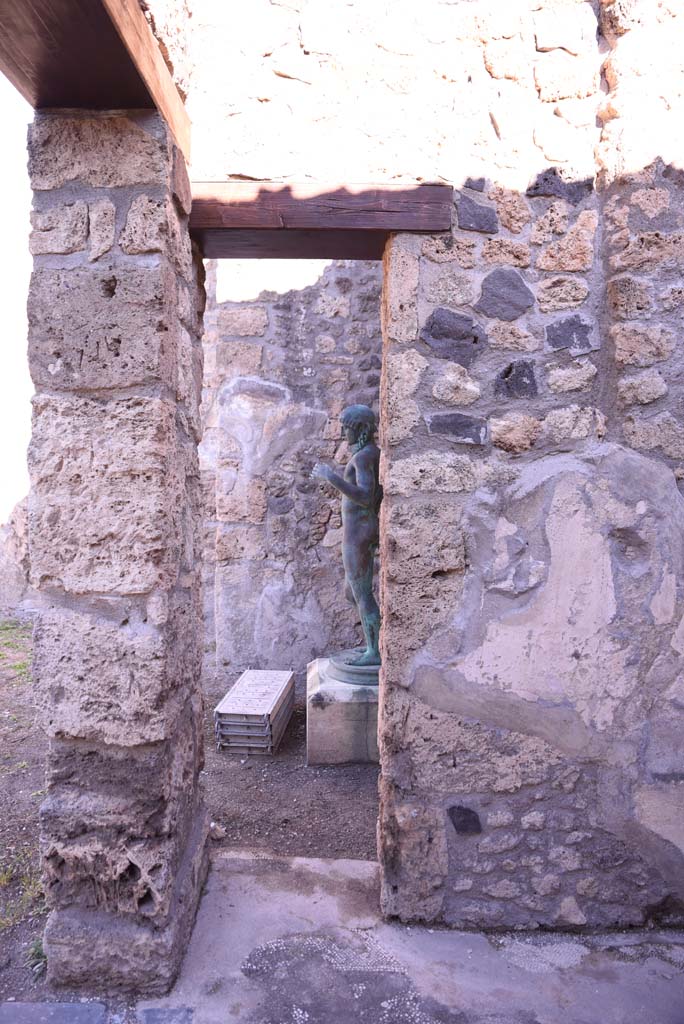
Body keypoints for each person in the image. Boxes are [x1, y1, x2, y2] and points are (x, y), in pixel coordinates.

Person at [311, 404, 382, 666]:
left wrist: (332, 478)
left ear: (361, 429)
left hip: (359, 535)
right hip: (358, 532)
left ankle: (374, 652)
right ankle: (374, 640)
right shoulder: (369, 454)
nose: (343, 433)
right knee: (351, 593)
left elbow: (365, 496)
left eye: (347, 428)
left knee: (361, 594)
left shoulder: (363, 457)